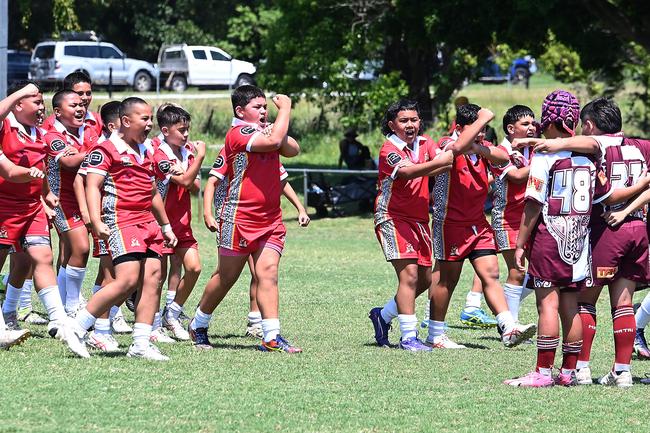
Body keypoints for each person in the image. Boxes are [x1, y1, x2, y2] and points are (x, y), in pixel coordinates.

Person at [514, 97, 650, 387]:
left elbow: (536, 202)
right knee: (613, 303)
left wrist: (520, 242)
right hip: (625, 232)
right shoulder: (635, 147)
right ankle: (609, 371)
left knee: (572, 303)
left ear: (588, 125)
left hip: (586, 233)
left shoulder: (590, 150)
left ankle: (568, 370)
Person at [504, 90, 612, 387]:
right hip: (579, 240)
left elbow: (534, 202)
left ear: (548, 119)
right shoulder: (591, 155)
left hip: (550, 237)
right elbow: (603, 195)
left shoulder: (544, 154)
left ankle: (542, 372)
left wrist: (520, 243)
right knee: (570, 306)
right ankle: (568, 372)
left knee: (547, 306)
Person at [189, 85, 302, 352]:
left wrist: (277, 125)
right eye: (257, 107)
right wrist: (285, 108)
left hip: (271, 220)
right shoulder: (238, 134)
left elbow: (291, 149)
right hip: (238, 217)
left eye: (265, 106)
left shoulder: (268, 132)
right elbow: (274, 142)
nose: (264, 111)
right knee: (227, 277)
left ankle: (271, 336)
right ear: (240, 111)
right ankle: (199, 323)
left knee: (268, 273)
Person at [73, 97, 178, 361]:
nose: (149, 124)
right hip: (121, 219)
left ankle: (140, 344)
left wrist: (165, 224)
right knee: (127, 280)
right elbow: (91, 185)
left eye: (151, 118)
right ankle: (75, 328)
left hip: (148, 222)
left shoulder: (148, 150)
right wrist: (95, 220)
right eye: (144, 119)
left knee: (153, 279)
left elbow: (152, 190)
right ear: (126, 121)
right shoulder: (106, 149)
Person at [427, 104, 536, 349]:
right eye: (477, 129)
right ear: (459, 128)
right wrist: (482, 121)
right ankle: (435, 334)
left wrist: (479, 147)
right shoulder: (447, 141)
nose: (481, 134)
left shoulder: (481, 149)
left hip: (478, 223)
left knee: (491, 274)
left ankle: (508, 327)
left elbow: (502, 156)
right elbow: (455, 148)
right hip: (450, 224)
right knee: (447, 280)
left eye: (484, 129)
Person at [0, 81, 88, 356]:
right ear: (18, 105)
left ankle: (60, 321)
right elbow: (12, 172)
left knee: (41, 258)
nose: (41, 108)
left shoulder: (40, 133)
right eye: (36, 102)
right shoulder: (6, 128)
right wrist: (21, 90)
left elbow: (41, 167)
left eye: (41, 102)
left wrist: (46, 195)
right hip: (5, 207)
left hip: (32, 206)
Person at [366, 99, 454, 350]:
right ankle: (409, 337)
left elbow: (448, 156)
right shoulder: (388, 149)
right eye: (403, 120)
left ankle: (382, 316)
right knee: (410, 276)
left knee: (426, 279)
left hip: (418, 220)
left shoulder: (426, 143)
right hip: (392, 218)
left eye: (414, 120)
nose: (410, 125)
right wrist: (441, 162)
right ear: (392, 125)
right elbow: (408, 172)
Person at [152, 104, 205, 341]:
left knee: (194, 268)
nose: (186, 135)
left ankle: (171, 314)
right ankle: (152, 326)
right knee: (157, 276)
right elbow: (183, 182)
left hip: (182, 222)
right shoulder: (158, 153)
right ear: (165, 130)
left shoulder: (187, 154)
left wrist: (188, 167)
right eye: (181, 130)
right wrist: (198, 160)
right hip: (160, 222)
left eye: (187, 130)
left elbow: (194, 187)